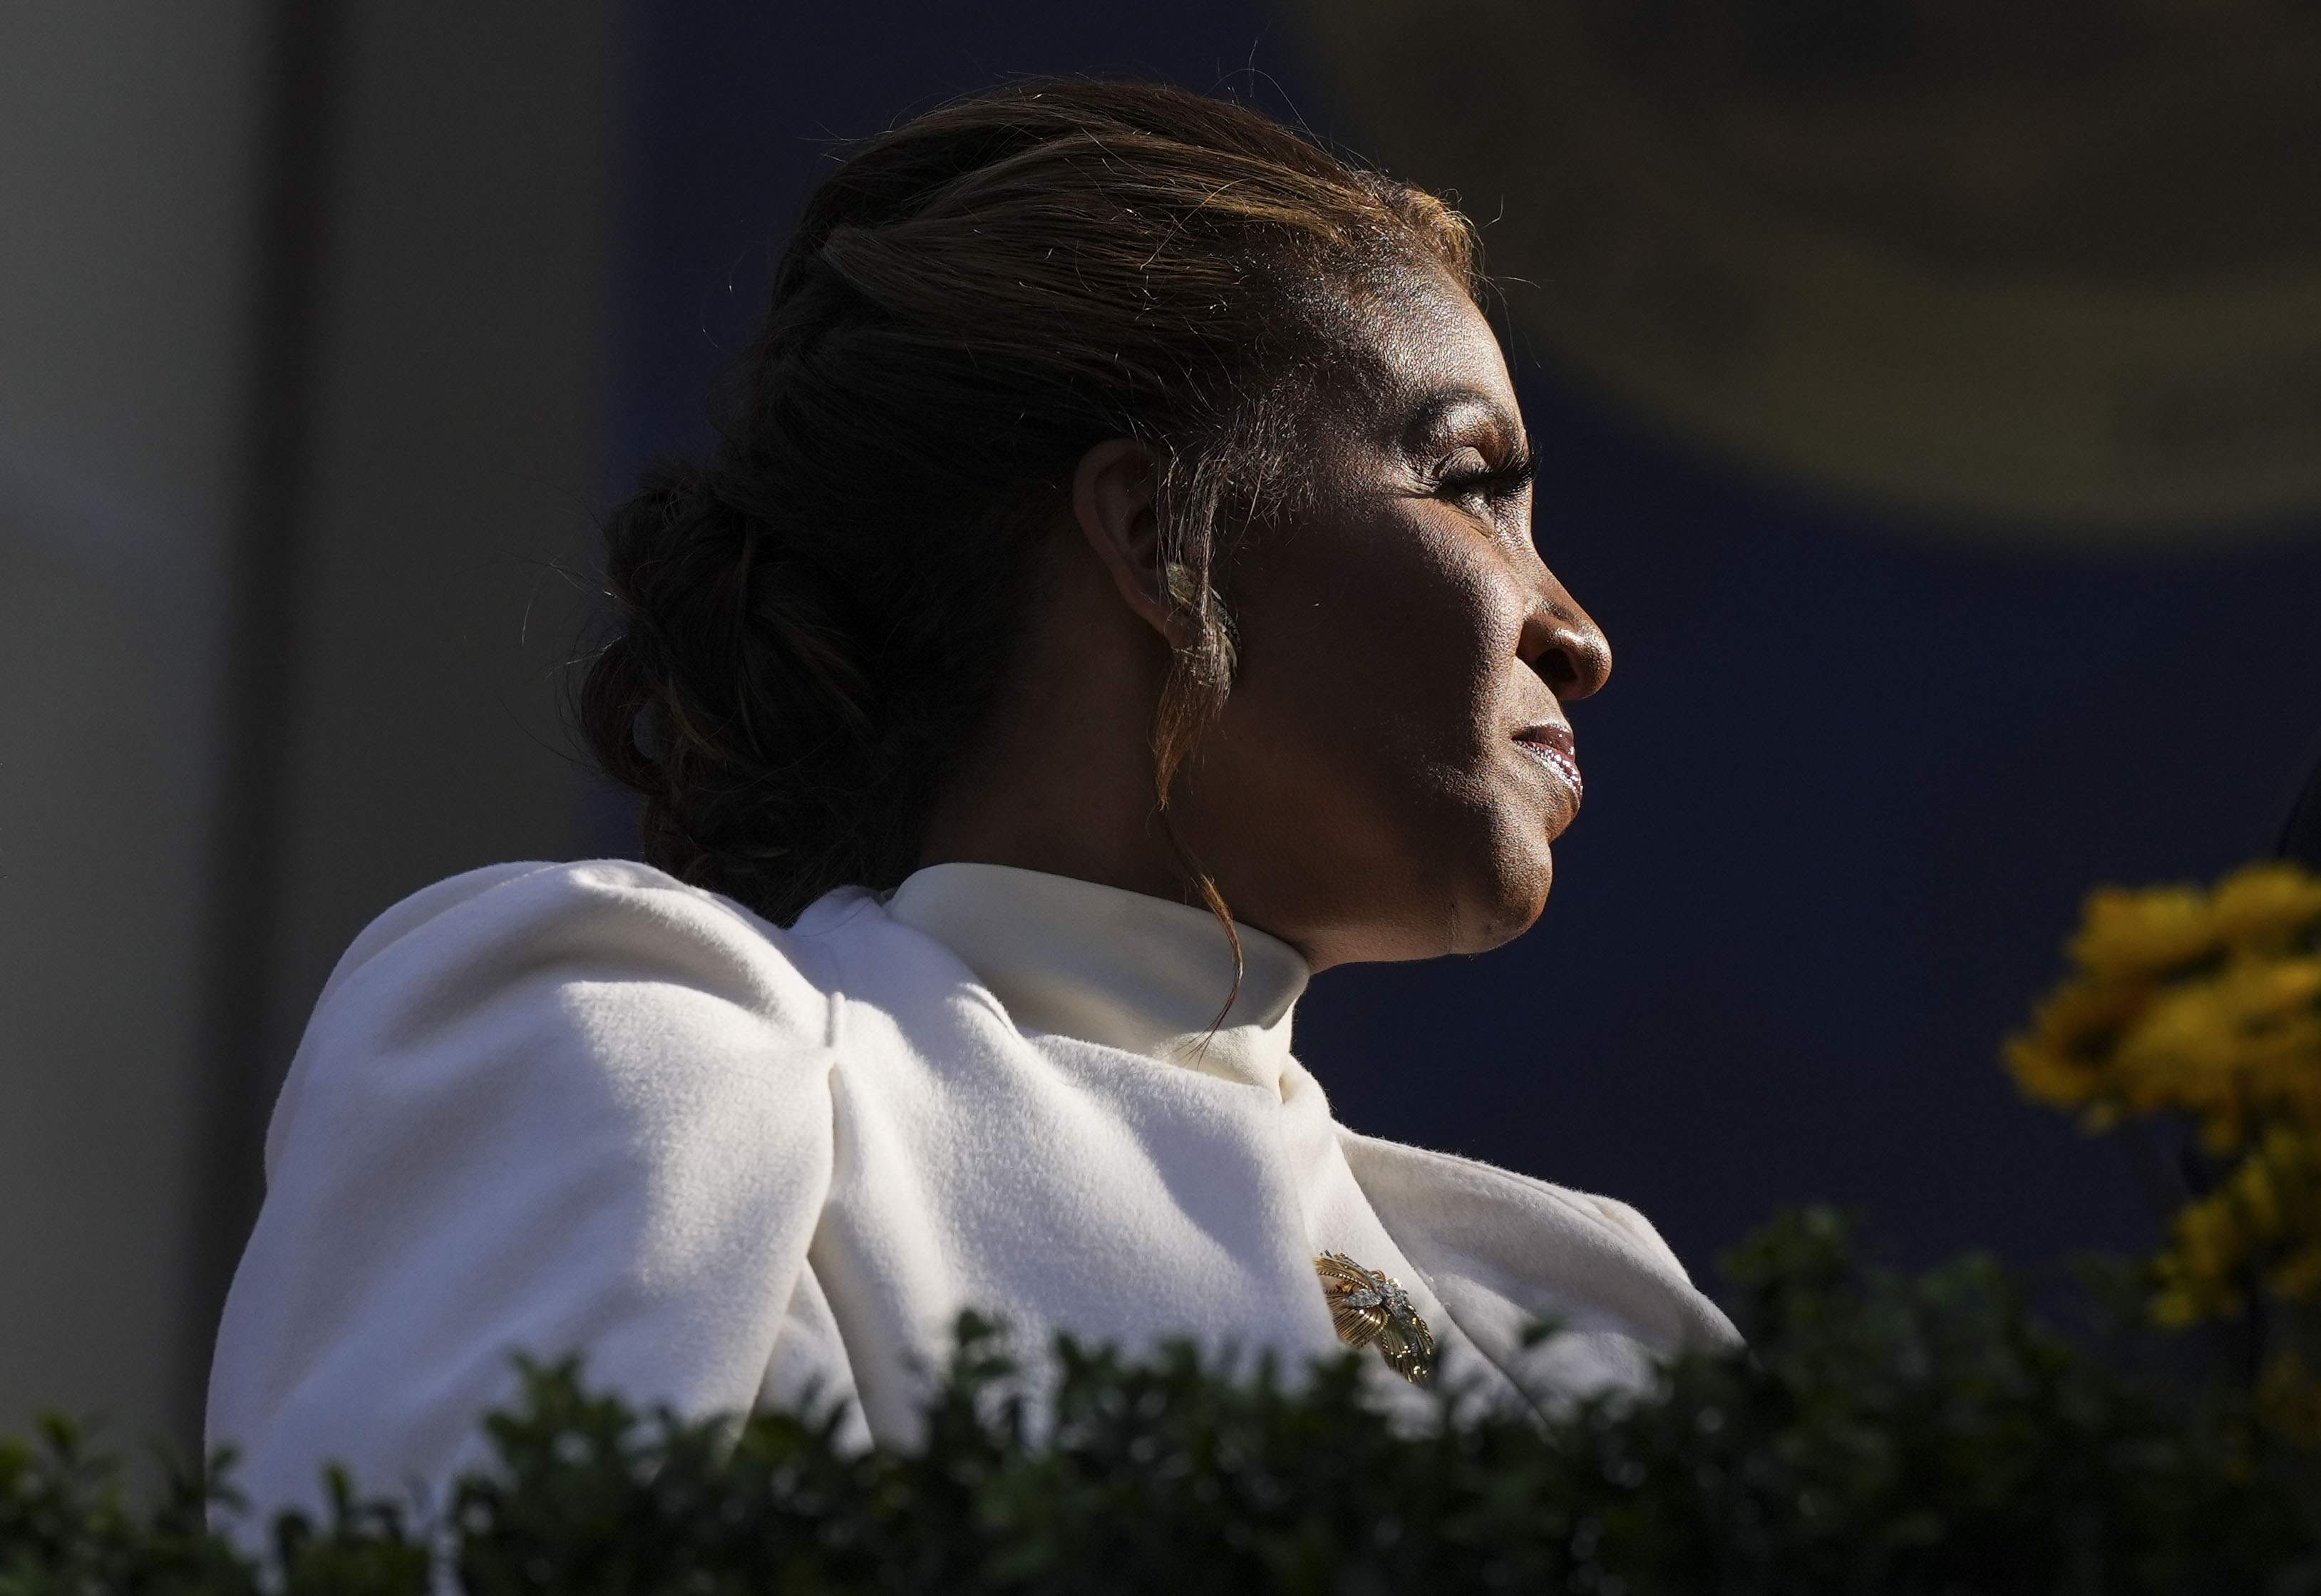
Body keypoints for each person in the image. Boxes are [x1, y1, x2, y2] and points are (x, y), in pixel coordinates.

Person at [207, 78, 1737, 1518]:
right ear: (1162, 541)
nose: (1575, 632)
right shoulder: (653, 1053)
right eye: (1471, 483)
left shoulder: (1585, 1320)